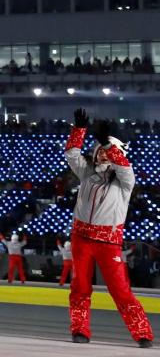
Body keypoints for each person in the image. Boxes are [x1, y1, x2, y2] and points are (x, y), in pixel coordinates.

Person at [63, 110, 153, 347]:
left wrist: (107, 143)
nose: (103, 155)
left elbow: (125, 168)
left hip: (108, 243)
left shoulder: (125, 183)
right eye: (100, 151)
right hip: (81, 238)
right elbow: (72, 155)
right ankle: (79, 331)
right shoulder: (87, 174)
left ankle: (142, 333)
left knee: (120, 290)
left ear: (116, 155)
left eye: (107, 152)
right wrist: (78, 130)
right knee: (80, 287)